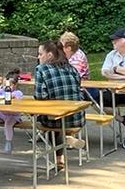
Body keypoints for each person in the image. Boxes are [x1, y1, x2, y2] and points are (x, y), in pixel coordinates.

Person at [32, 39, 87, 173]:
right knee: (56, 121)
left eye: (40, 54)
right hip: (77, 117)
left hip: (55, 120)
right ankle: (61, 156)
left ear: (49, 55)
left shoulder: (41, 69)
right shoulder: (72, 69)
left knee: (45, 121)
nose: (38, 57)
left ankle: (63, 145)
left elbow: (40, 97)